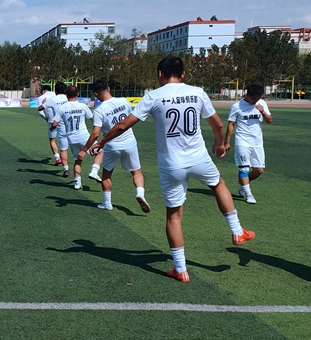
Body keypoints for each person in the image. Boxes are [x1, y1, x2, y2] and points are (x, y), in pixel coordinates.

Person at [91, 56, 255, 284]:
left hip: (171, 165)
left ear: (159, 74)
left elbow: (122, 125)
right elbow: (218, 124)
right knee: (218, 185)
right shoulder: (197, 92)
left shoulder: (153, 96)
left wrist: (101, 141)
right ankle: (237, 231)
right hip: (199, 158)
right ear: (183, 74)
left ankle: (181, 270)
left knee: (174, 217)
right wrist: (220, 144)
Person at [78, 79, 150, 213]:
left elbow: (95, 133)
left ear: (96, 94)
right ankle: (140, 193)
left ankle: (107, 203)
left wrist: (84, 149)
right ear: (109, 88)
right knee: (136, 172)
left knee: (106, 175)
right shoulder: (124, 101)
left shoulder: (99, 110)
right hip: (129, 142)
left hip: (112, 145)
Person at [224, 84, 272, 204]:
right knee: (244, 168)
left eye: (258, 98)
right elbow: (231, 124)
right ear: (247, 94)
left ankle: (243, 184)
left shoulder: (262, 103)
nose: (256, 100)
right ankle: (249, 194)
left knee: (259, 170)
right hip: (242, 141)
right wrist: (227, 142)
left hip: (257, 142)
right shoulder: (236, 106)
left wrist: (262, 112)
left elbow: (269, 120)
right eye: (254, 98)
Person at [50, 85, 93, 190]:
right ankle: (94, 171)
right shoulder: (82, 106)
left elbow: (54, 124)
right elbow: (93, 119)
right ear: (78, 94)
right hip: (84, 136)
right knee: (100, 152)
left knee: (77, 160)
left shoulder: (62, 108)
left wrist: (51, 128)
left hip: (72, 139)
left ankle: (77, 182)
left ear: (66, 95)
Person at [37, 85, 61, 165]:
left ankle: (57, 157)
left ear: (43, 91)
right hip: (61, 120)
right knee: (64, 139)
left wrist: (46, 119)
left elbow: (40, 112)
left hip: (51, 120)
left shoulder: (41, 97)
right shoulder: (55, 94)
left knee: (52, 140)